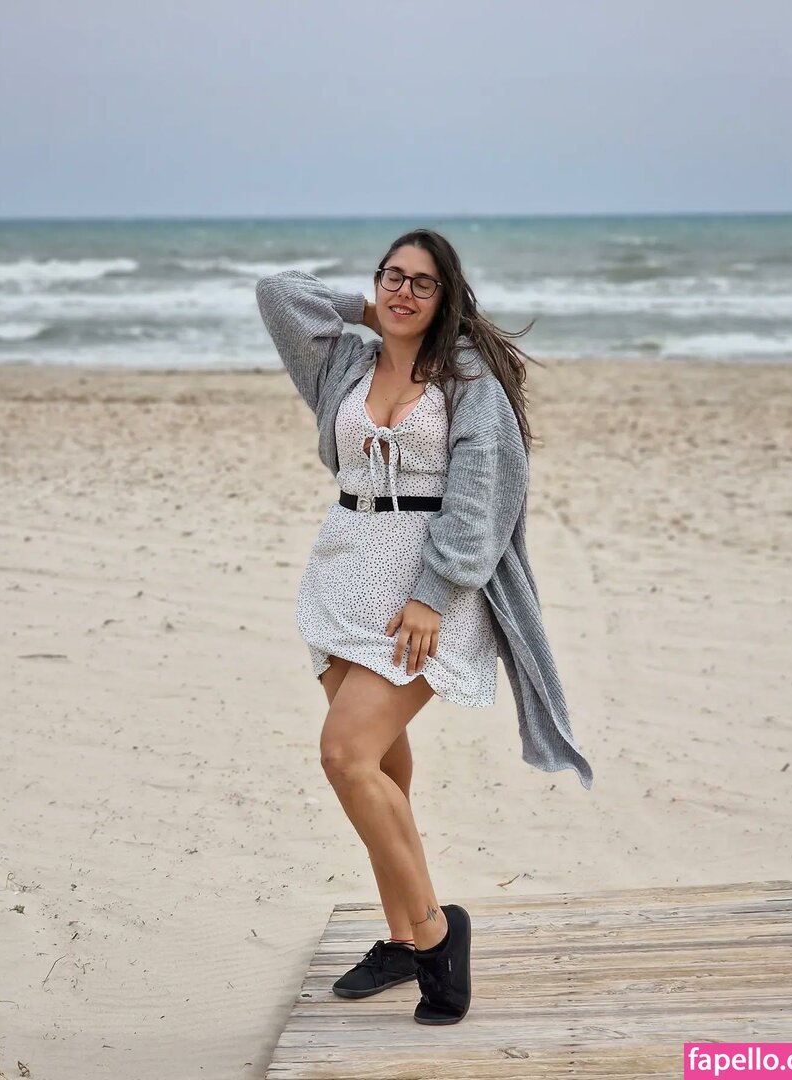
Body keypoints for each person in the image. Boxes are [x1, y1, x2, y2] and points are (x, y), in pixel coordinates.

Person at [256, 228, 593, 1026]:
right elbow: (277, 293)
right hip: (343, 575)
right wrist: (365, 310)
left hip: (426, 597)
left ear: (449, 297)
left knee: (345, 755)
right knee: (382, 771)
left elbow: (482, 496)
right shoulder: (346, 361)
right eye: (392, 277)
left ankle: (439, 933)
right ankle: (405, 938)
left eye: (422, 283)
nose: (403, 292)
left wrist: (433, 594)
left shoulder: (467, 377)